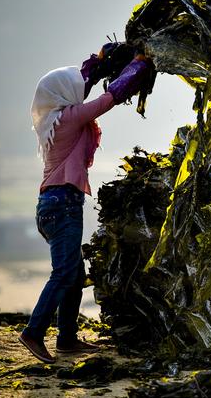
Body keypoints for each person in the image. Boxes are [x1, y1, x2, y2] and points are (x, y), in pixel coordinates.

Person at [19, 43, 155, 363]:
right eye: (73, 89)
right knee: (65, 273)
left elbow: (87, 78)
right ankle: (33, 333)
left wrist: (104, 59)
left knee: (75, 276)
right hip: (61, 205)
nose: (78, 89)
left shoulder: (55, 117)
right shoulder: (68, 119)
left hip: (56, 205)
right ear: (64, 95)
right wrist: (137, 66)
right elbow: (108, 98)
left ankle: (67, 340)